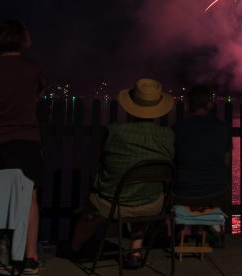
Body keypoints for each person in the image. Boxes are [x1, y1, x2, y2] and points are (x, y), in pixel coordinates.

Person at [69, 79, 175, 269]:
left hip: (112, 203)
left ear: (131, 106)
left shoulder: (115, 131)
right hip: (151, 204)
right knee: (143, 192)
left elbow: (100, 159)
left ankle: (75, 248)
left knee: (93, 208)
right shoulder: (168, 135)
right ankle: (135, 251)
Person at [0, 20, 47, 275]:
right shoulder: (33, 68)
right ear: (22, 40)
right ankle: (30, 257)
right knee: (29, 198)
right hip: (24, 142)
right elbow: (36, 95)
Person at [172, 85, 231, 247]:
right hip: (216, 191)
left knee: (181, 193)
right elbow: (226, 163)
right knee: (215, 190)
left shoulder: (177, 129)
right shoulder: (223, 128)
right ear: (210, 104)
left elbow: (174, 161)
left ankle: (186, 227)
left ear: (189, 105)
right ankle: (213, 224)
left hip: (184, 192)